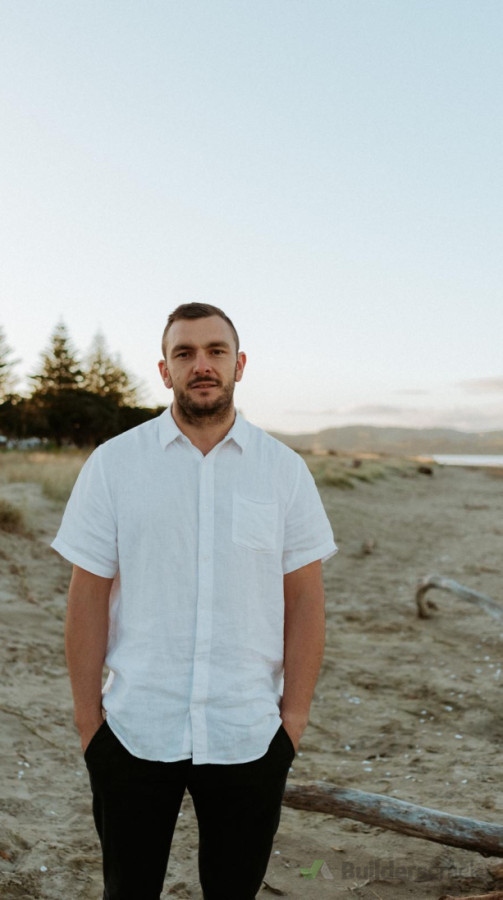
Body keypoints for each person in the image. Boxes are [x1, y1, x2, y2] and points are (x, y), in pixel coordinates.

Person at [51, 303, 337, 900]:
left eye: (215, 351)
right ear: (165, 370)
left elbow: (306, 601)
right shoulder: (113, 465)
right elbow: (87, 597)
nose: (201, 364)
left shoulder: (284, 471)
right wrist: (88, 724)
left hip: (248, 732)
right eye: (184, 353)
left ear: (239, 365)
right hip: (133, 729)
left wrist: (293, 721)